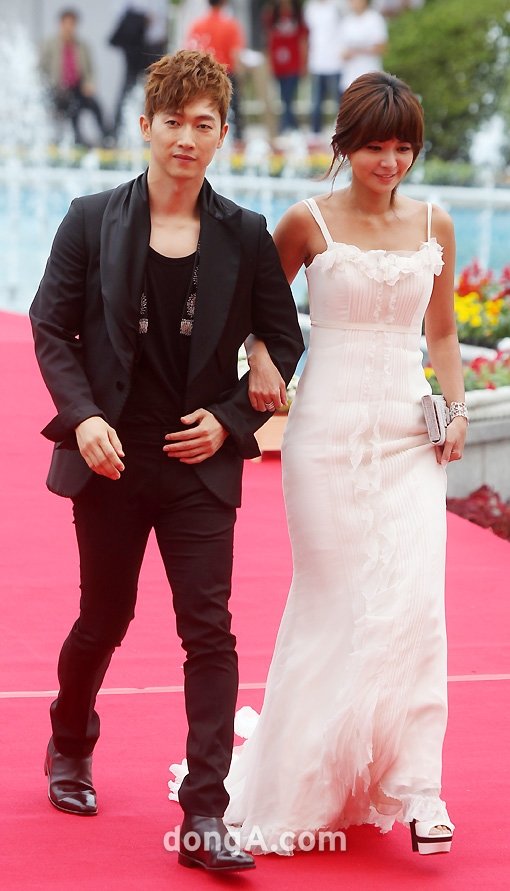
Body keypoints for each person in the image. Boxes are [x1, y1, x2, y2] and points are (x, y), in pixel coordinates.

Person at [172, 70, 468, 855]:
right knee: (334, 602)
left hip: (409, 435)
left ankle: (419, 788)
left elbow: (442, 334)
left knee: (414, 606)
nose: (390, 161)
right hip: (325, 436)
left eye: (403, 147)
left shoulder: (436, 222)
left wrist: (458, 406)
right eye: (376, 146)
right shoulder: (306, 221)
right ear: (345, 145)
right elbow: (255, 313)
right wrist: (264, 362)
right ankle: (305, 777)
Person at [30, 49, 303, 873]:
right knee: (105, 616)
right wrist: (82, 418)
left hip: (197, 461)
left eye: (204, 124)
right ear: (146, 125)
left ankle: (205, 811)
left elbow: (284, 339)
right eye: (174, 121)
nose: (187, 137)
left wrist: (229, 421)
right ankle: (70, 741)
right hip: (111, 457)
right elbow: (51, 326)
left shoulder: (245, 234)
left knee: (208, 629)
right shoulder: (89, 219)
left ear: (222, 135)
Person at [40, 7, 107, 147]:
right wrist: (47, 85)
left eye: (72, 24)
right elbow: (41, 69)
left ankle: (107, 137)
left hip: (78, 88)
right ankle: (76, 138)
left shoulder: (82, 46)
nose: (69, 28)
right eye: (67, 23)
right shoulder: (50, 45)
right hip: (57, 90)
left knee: (94, 105)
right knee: (71, 105)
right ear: (61, 24)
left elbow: (90, 70)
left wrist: (89, 83)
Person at [186, 0, 245, 144]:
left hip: (202, 77)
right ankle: (235, 143)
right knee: (232, 114)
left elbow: (189, 53)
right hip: (226, 75)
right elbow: (235, 54)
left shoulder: (197, 24)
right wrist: (240, 75)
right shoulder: (230, 25)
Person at [109, 1, 168, 137]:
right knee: (129, 85)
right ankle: (118, 129)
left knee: (158, 84)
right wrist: (141, 18)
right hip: (136, 43)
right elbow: (120, 12)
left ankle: (159, 125)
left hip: (155, 44)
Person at [264, 0, 308, 134]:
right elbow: (269, 39)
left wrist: (304, 63)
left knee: (288, 96)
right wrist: (269, 62)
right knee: (284, 97)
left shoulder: (297, 14)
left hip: (293, 64)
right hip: (278, 64)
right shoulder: (273, 14)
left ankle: (285, 126)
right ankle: (292, 126)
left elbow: (303, 40)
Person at [304, 0, 345, 134]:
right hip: (317, 61)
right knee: (316, 101)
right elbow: (307, 34)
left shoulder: (337, 5)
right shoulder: (310, 7)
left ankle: (342, 131)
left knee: (339, 101)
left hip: (335, 62)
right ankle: (315, 132)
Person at [339, 0, 387, 93]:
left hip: (371, 80)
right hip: (349, 80)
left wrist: (358, 51)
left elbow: (381, 47)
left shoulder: (375, 19)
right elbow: (341, 52)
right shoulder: (346, 21)